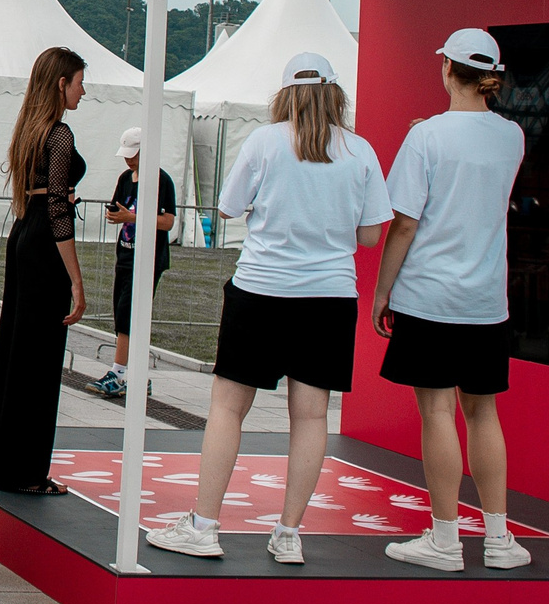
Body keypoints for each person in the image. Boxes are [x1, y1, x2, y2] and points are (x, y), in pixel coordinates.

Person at [150, 53, 391, 564]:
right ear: (335, 94)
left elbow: (228, 208)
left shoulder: (264, 141)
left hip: (260, 290)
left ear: (285, 95)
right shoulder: (361, 150)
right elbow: (371, 236)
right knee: (311, 416)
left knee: (227, 409)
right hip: (329, 297)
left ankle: (204, 526)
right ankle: (288, 534)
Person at [374, 29, 531, 573]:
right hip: (487, 300)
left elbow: (404, 223)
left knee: (437, 412)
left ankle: (445, 540)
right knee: (483, 413)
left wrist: (382, 291)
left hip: (430, 297)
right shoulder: (512, 136)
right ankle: (499, 539)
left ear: (446, 67)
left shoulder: (426, 137)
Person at [0, 48, 88, 496]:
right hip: (44, 242)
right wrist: (77, 281)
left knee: (16, 350)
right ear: (61, 83)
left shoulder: (30, 129)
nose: (83, 91)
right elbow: (59, 209)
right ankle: (26, 470)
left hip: (25, 234)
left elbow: (46, 196)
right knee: (39, 358)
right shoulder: (58, 133)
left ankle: (4, 461)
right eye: (79, 82)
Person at [88, 128, 177, 401]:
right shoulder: (125, 179)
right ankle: (136, 374)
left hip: (148, 258)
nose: (129, 160)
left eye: (133, 155)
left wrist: (133, 218)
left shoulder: (161, 180)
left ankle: (117, 372)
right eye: (126, 155)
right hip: (126, 254)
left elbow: (168, 222)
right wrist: (117, 215)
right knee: (122, 313)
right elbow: (119, 207)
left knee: (128, 313)